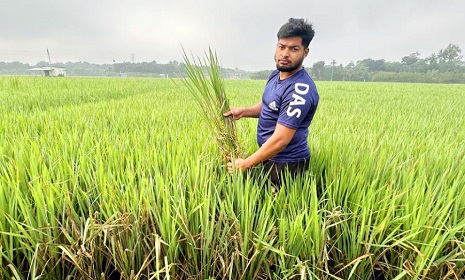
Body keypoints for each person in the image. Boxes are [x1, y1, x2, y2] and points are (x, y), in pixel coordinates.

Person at [224, 18, 319, 187]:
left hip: (287, 164)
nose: (285, 54)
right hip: (268, 155)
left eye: (294, 49)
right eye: (281, 46)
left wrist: (246, 164)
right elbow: (270, 105)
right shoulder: (277, 74)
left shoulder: (300, 90)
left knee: (278, 210)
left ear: (305, 52)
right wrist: (244, 111)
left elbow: (281, 140)